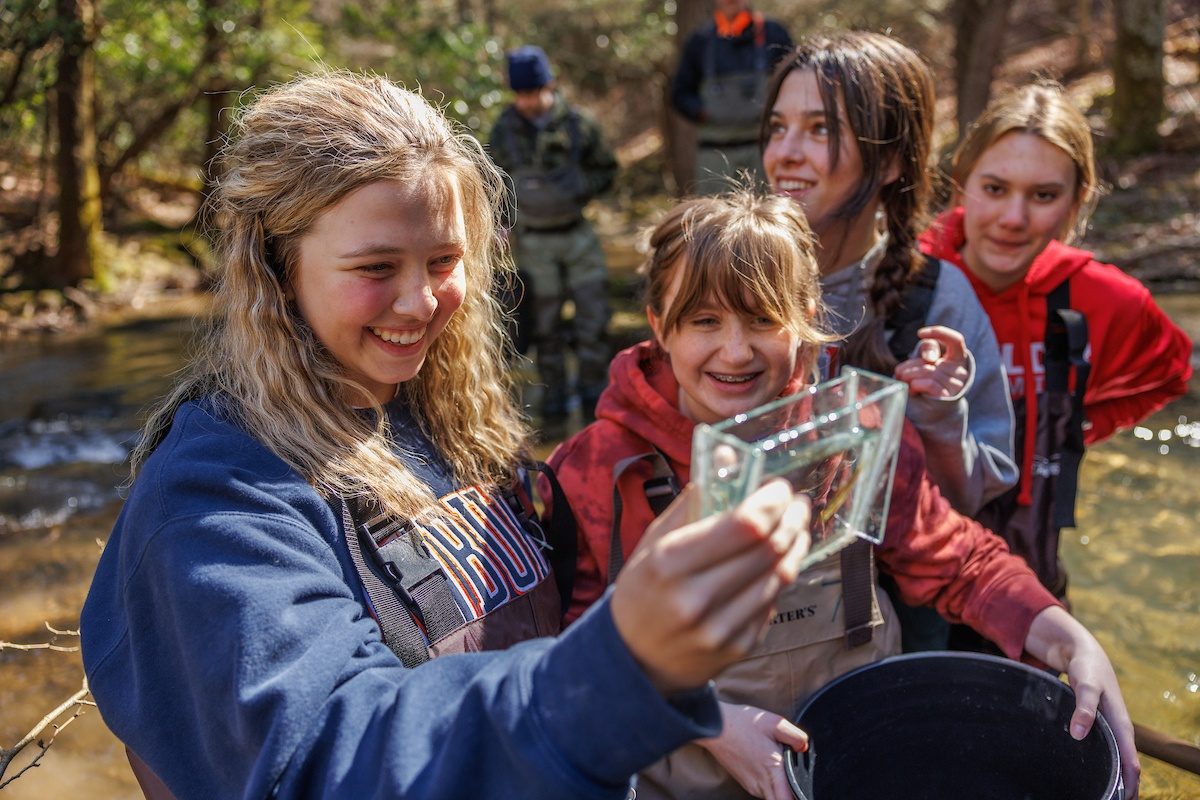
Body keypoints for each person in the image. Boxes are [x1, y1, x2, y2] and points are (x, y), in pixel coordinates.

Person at [78, 72, 818, 800]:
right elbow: (327, 754)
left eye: (444, 261)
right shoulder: (214, 498)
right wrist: (623, 665)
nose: (421, 302)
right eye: (375, 268)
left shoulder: (446, 423)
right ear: (277, 267)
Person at [548, 190, 1140, 800]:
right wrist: (712, 722)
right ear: (657, 325)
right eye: (704, 321)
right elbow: (563, 666)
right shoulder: (595, 470)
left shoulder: (856, 433)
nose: (735, 351)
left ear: (806, 315)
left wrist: (1068, 637)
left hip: (853, 761)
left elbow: (959, 562)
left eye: (762, 319)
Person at [760, 31, 1020, 651]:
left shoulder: (937, 302)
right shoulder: (736, 278)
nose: (785, 154)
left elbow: (964, 506)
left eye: (821, 129)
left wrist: (938, 416)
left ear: (894, 161)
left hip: (892, 632)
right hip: (755, 635)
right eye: (777, 127)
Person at [921, 80, 1193, 610]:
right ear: (960, 186)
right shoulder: (908, 278)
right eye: (995, 189)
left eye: (1043, 196)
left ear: (1076, 204)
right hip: (914, 565)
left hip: (1030, 562)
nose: (1013, 218)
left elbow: (1170, 370)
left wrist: (1075, 430)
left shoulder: (1104, 298)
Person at [487, 45, 617, 431]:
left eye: (534, 92)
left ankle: (597, 398)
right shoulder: (503, 130)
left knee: (593, 320)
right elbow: (493, 183)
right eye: (521, 94)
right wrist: (500, 224)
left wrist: (581, 187)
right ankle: (556, 406)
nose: (528, 102)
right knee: (545, 328)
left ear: (551, 85)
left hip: (578, 238)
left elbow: (607, 169)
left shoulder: (579, 125)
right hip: (533, 242)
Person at [671, 0, 792, 194]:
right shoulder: (699, 42)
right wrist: (703, 113)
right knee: (714, 220)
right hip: (715, 155)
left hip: (762, 150)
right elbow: (680, 93)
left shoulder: (773, 34)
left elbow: (792, 82)